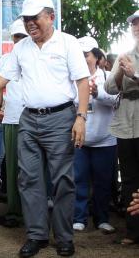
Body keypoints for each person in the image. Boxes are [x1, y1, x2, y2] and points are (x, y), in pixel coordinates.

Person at [0, 0, 89, 257]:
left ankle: (63, 237)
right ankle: (37, 235)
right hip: (29, 118)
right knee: (29, 178)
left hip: (61, 118)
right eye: (26, 19)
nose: (30, 24)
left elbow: (82, 81)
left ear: (50, 17)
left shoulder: (67, 43)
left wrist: (81, 118)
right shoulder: (21, 48)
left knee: (62, 179)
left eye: (35, 18)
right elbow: (1, 79)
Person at [72, 36, 117, 234]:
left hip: (105, 139)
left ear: (97, 56)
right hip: (79, 139)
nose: (83, 59)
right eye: (80, 55)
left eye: (87, 55)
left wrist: (98, 93)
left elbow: (116, 100)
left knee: (103, 181)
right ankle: (79, 217)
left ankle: (102, 218)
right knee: (78, 179)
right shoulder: (71, 78)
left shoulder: (108, 77)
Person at [104, 10, 139, 245]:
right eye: (134, 24)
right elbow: (109, 88)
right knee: (128, 179)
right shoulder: (124, 55)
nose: (136, 27)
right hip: (126, 125)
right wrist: (120, 73)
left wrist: (134, 74)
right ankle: (132, 230)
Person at [0, 19, 28, 228]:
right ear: (12, 38)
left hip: (36, 118)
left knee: (34, 168)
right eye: (17, 37)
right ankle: (14, 211)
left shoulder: (38, 56)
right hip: (12, 118)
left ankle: (34, 210)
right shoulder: (5, 59)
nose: (20, 40)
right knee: (13, 167)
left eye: (24, 36)